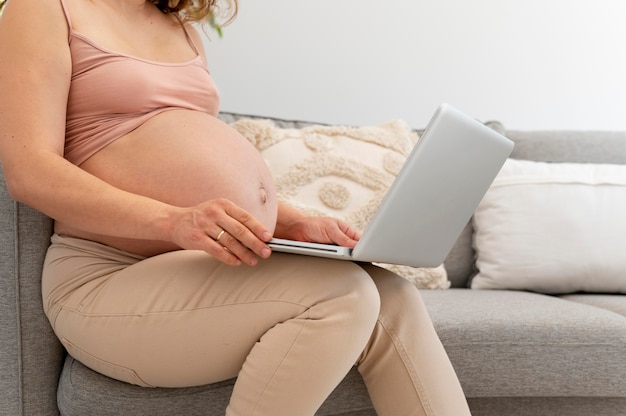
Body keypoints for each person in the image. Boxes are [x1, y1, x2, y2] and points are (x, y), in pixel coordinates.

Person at [0, 0, 472, 415]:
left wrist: (292, 221)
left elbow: (196, 172)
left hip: (202, 268)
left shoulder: (180, 28)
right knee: (343, 295)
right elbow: (30, 171)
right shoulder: (43, 7)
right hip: (107, 281)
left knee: (392, 293)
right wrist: (172, 220)